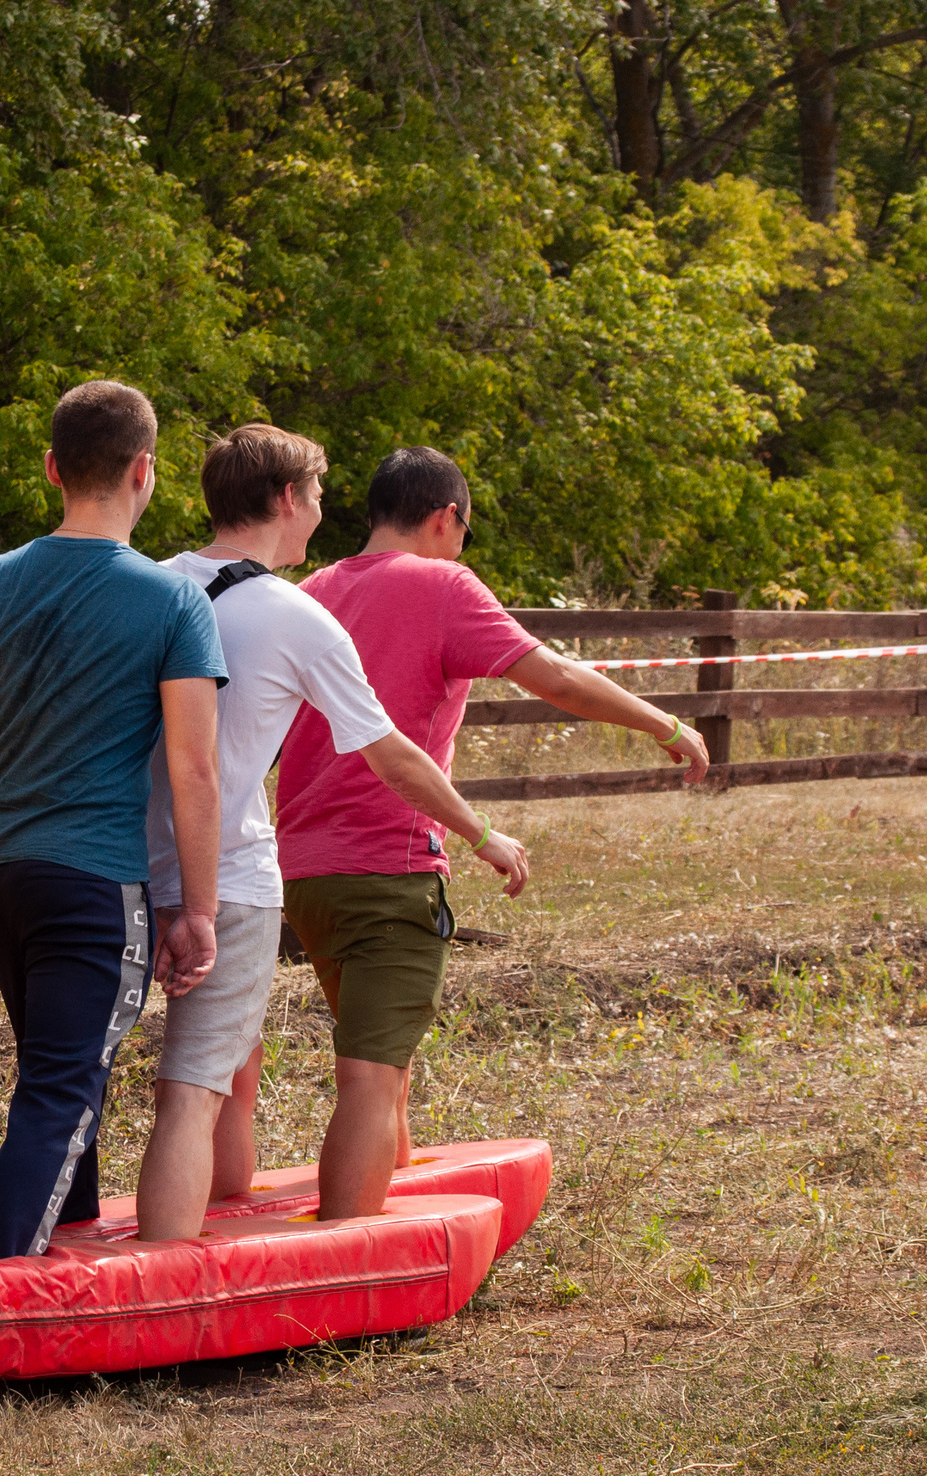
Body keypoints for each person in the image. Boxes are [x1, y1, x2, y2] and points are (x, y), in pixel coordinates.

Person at [275, 447, 710, 1221]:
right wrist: (664, 722)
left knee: (385, 1057)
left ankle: (390, 1185)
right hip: (390, 865)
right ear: (445, 518)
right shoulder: (443, 584)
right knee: (370, 1078)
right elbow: (559, 680)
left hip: (303, 871)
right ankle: (349, 1254)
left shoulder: (310, 590)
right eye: (463, 531)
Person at [131, 424, 530, 1243]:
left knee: (123, 1082)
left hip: (118, 865)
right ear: (286, 500)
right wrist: (480, 830)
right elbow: (389, 752)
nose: (321, 511)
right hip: (227, 873)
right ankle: (179, 1272)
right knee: (198, 1088)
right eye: (315, 495)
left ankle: (206, 1210)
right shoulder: (295, 608)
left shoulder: (149, 583)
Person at [0, 380, 228, 1260]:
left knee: (62, 1075)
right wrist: (201, 910)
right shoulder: (174, 603)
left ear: (53, 468)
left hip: (3, 876)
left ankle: (71, 1241)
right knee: (62, 1090)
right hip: (93, 882)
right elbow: (193, 771)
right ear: (145, 470)